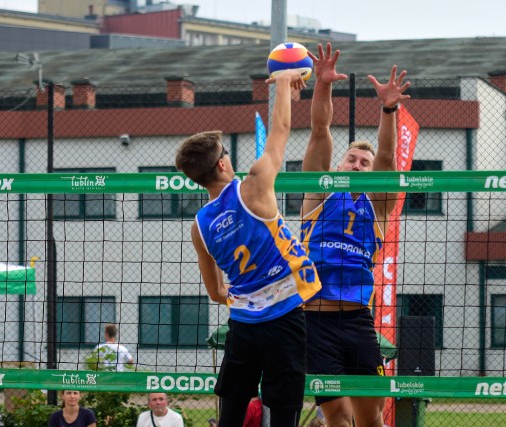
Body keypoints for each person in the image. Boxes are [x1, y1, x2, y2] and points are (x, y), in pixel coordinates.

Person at [175, 69, 321, 427]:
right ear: (223, 163)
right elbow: (281, 131)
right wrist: (285, 84)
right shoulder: (253, 186)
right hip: (285, 316)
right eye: (225, 152)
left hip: (243, 324)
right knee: (284, 413)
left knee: (232, 415)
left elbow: (215, 292)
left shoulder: (200, 226)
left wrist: (243, 294)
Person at [300, 43, 411, 427]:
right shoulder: (319, 192)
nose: (358, 164)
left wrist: (388, 109)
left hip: (358, 321)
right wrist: (323, 84)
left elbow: (386, 154)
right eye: (352, 159)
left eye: (363, 163)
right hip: (315, 320)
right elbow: (319, 131)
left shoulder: (378, 205)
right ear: (340, 163)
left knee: (372, 418)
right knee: (338, 419)